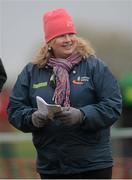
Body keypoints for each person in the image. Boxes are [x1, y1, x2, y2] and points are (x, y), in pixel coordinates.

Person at [7, 8, 122, 179]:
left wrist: (82, 115)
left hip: (93, 164)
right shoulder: (31, 72)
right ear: (50, 41)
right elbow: (14, 110)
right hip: (52, 166)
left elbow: (113, 105)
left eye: (71, 34)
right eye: (61, 35)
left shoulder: (95, 67)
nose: (68, 40)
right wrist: (33, 117)